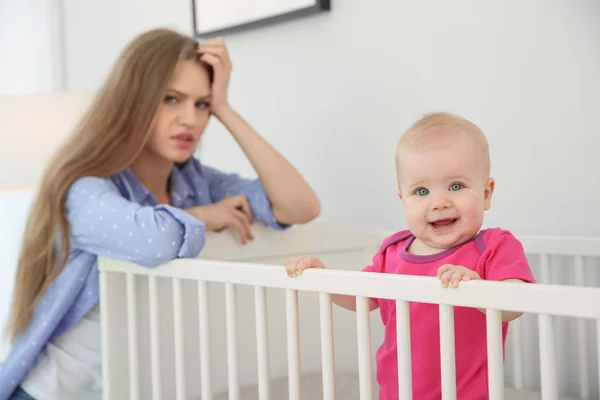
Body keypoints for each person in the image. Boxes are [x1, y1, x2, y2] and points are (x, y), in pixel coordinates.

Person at [0, 28, 320, 400]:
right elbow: (155, 239)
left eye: (202, 105)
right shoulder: (86, 187)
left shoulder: (194, 181)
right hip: (54, 392)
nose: (190, 119)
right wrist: (204, 215)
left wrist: (226, 110)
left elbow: (301, 206)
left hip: (131, 387)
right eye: (172, 99)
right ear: (133, 101)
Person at [284, 112, 535, 399]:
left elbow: (517, 301)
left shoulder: (493, 247)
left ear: (486, 192)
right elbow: (362, 297)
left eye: (456, 186)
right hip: (396, 391)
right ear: (403, 198)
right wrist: (323, 277)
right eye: (422, 190)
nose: (439, 202)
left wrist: (481, 290)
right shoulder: (392, 250)